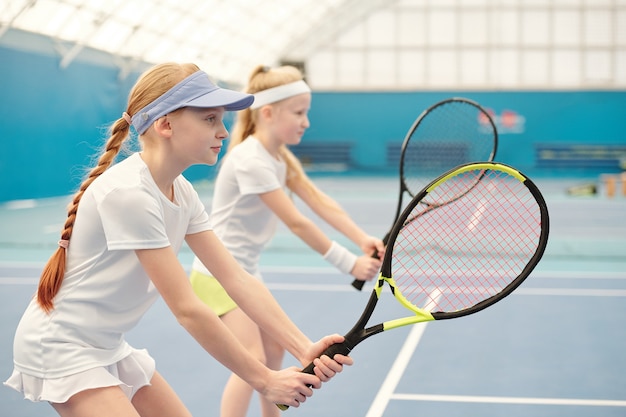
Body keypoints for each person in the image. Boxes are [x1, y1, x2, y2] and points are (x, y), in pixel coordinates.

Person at [3, 62, 353, 417]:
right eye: (209, 119)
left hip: (106, 345)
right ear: (165, 124)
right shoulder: (130, 194)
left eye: (221, 119)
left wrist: (302, 346)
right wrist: (264, 379)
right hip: (60, 347)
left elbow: (236, 278)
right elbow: (187, 310)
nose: (223, 131)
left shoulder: (181, 192)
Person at [189, 64, 385, 417]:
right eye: (299, 112)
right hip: (217, 273)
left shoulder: (277, 156)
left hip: (244, 272)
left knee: (274, 355)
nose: (306, 121)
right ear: (267, 113)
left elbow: (317, 199)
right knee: (254, 363)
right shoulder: (251, 160)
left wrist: (362, 238)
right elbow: (296, 221)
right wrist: (349, 262)